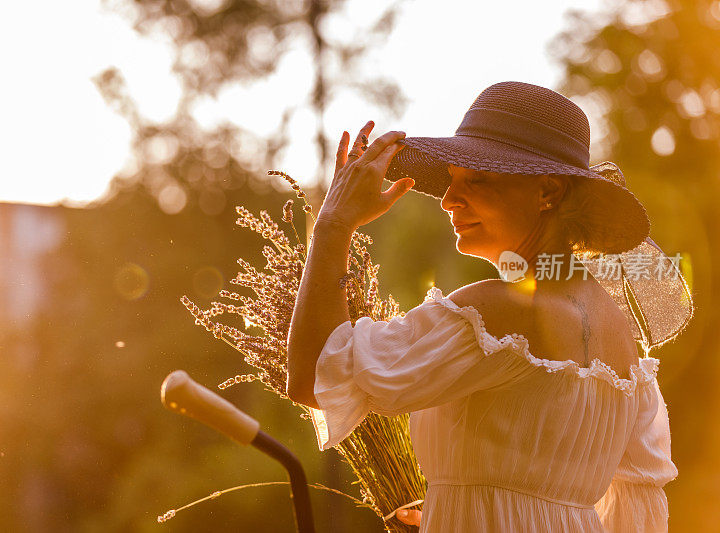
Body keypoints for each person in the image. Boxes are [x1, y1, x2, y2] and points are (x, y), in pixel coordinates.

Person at [286, 81, 685, 532]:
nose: (449, 199)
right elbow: (633, 504)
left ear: (547, 193)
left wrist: (333, 224)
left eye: (477, 179)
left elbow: (312, 378)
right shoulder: (620, 333)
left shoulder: (495, 311)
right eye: (452, 179)